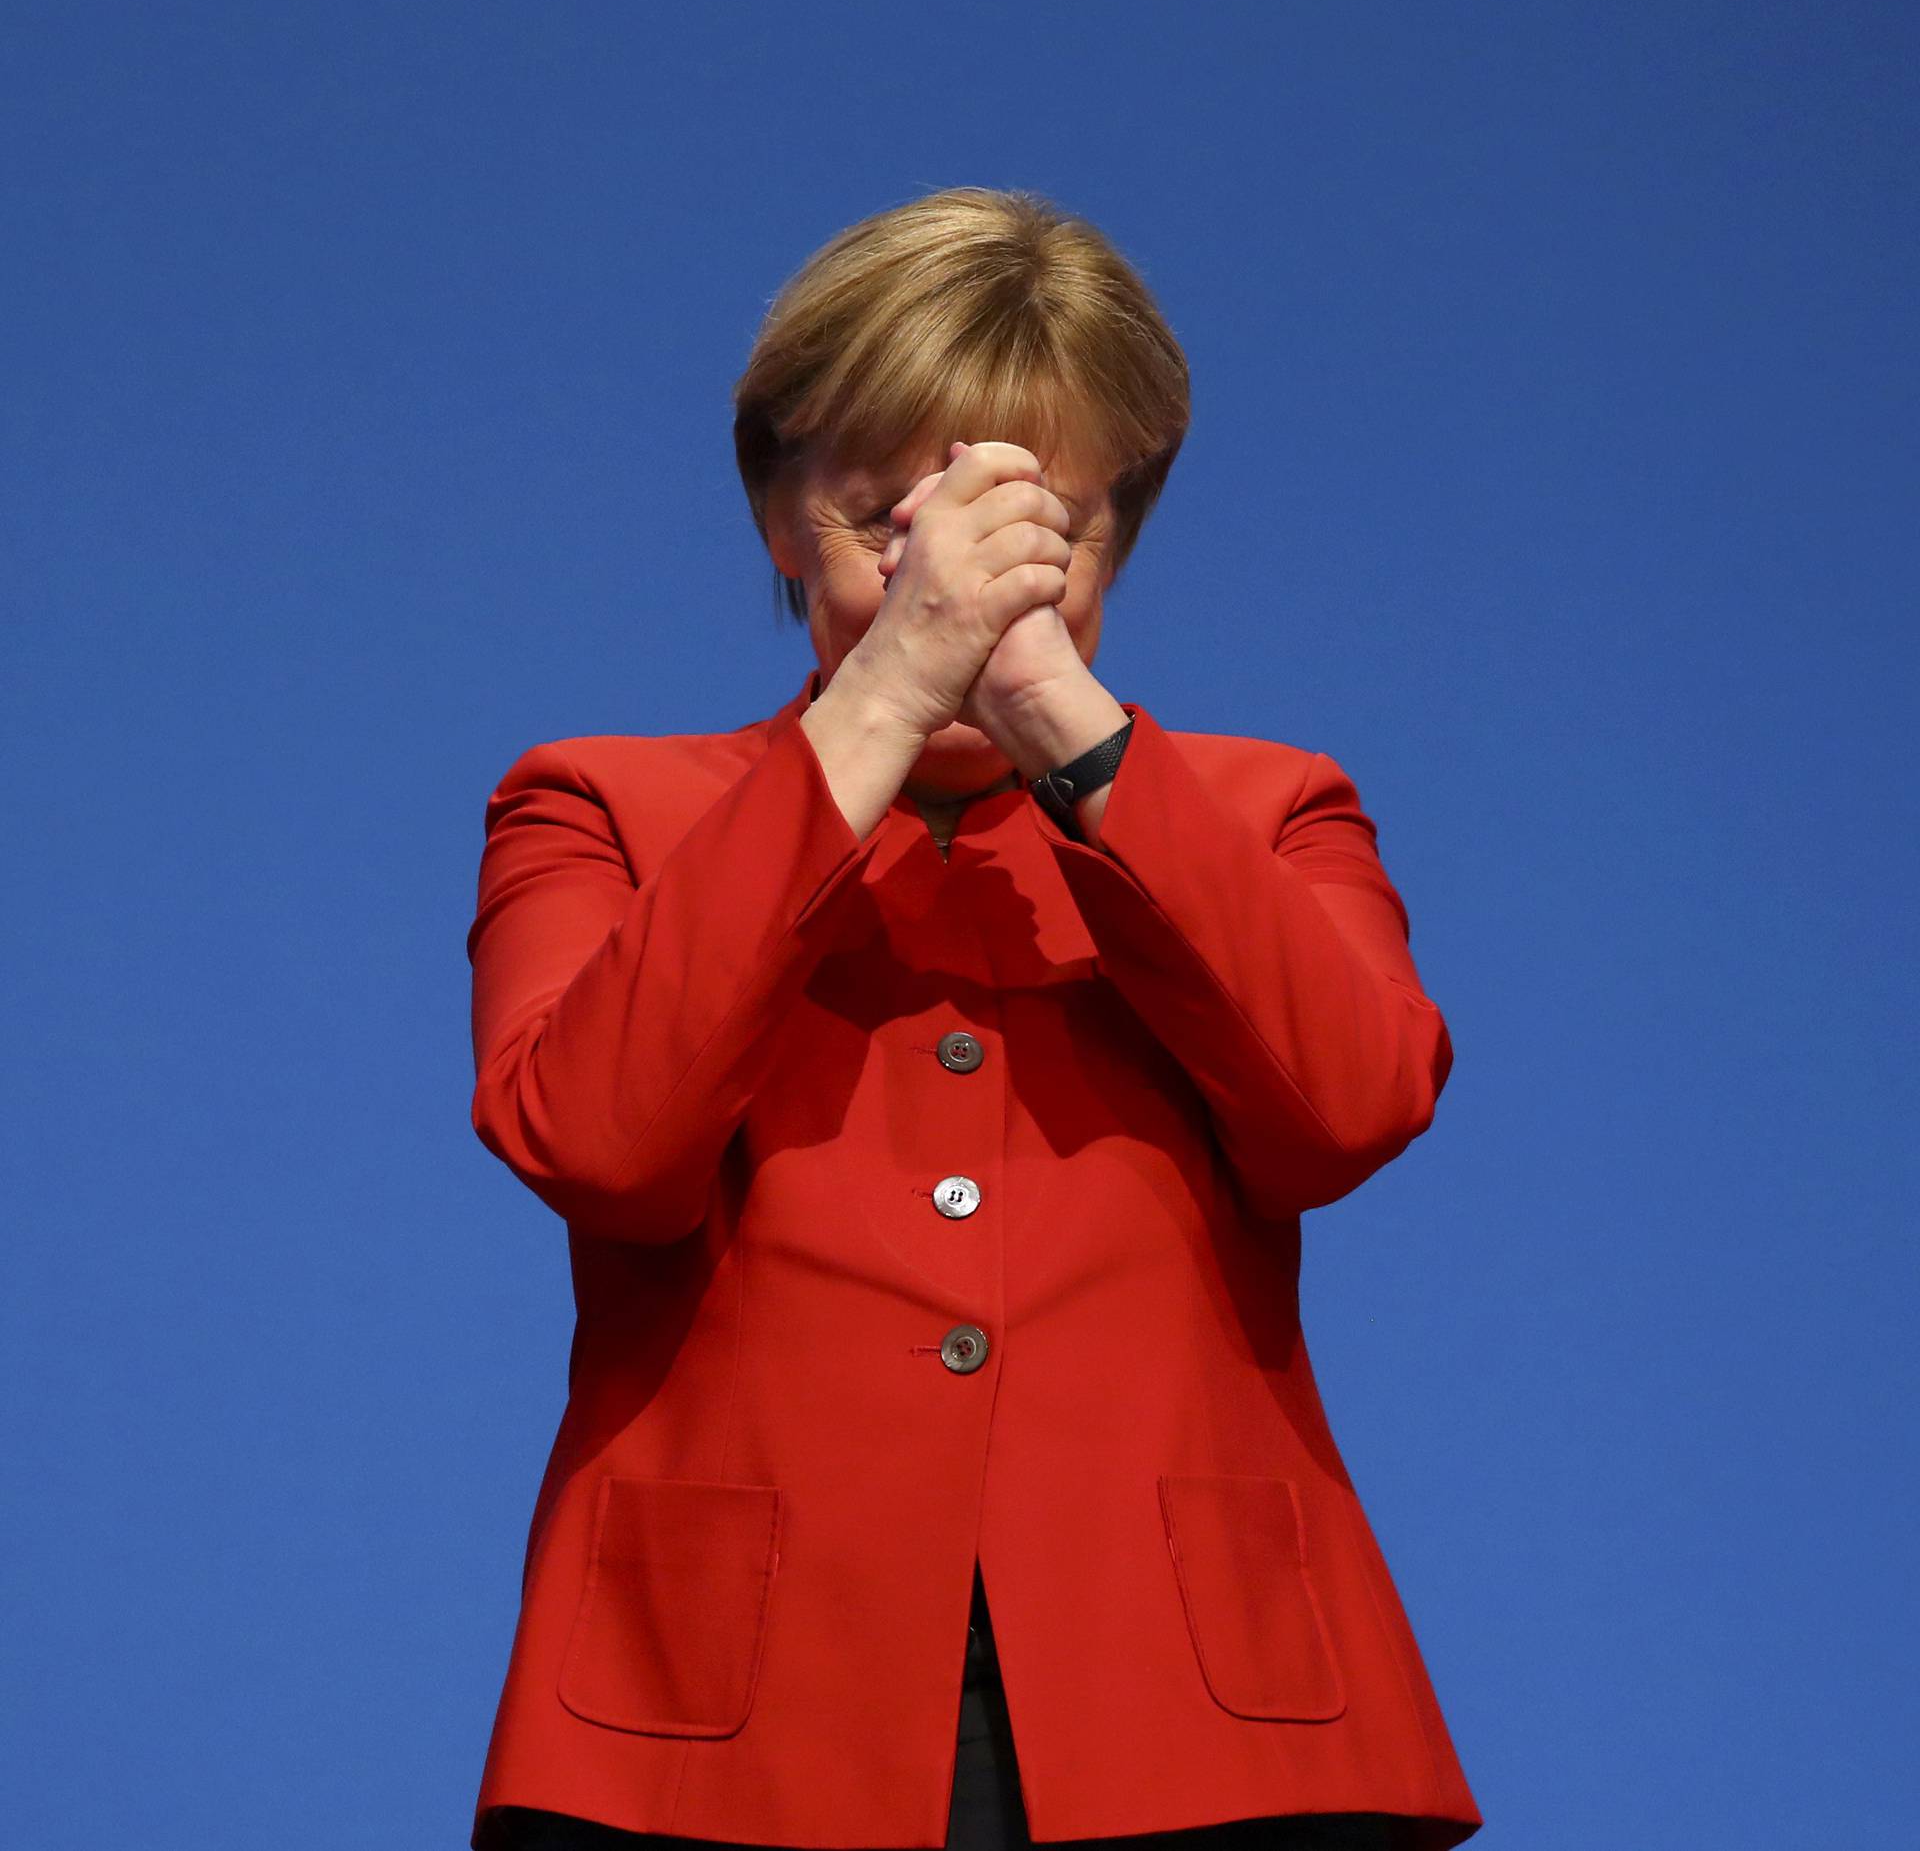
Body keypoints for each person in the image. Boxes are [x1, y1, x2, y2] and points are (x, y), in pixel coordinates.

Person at [463, 188, 1482, 1851]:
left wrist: (1072, 738)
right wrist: (884, 695)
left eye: (1037, 535)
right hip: (717, 1725)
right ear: (781, 515)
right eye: (894, 523)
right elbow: (603, 1144)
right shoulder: (601, 806)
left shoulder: (1268, 808)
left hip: (1210, 1722)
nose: (962, 582)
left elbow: (1350, 1107)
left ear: (1117, 542)